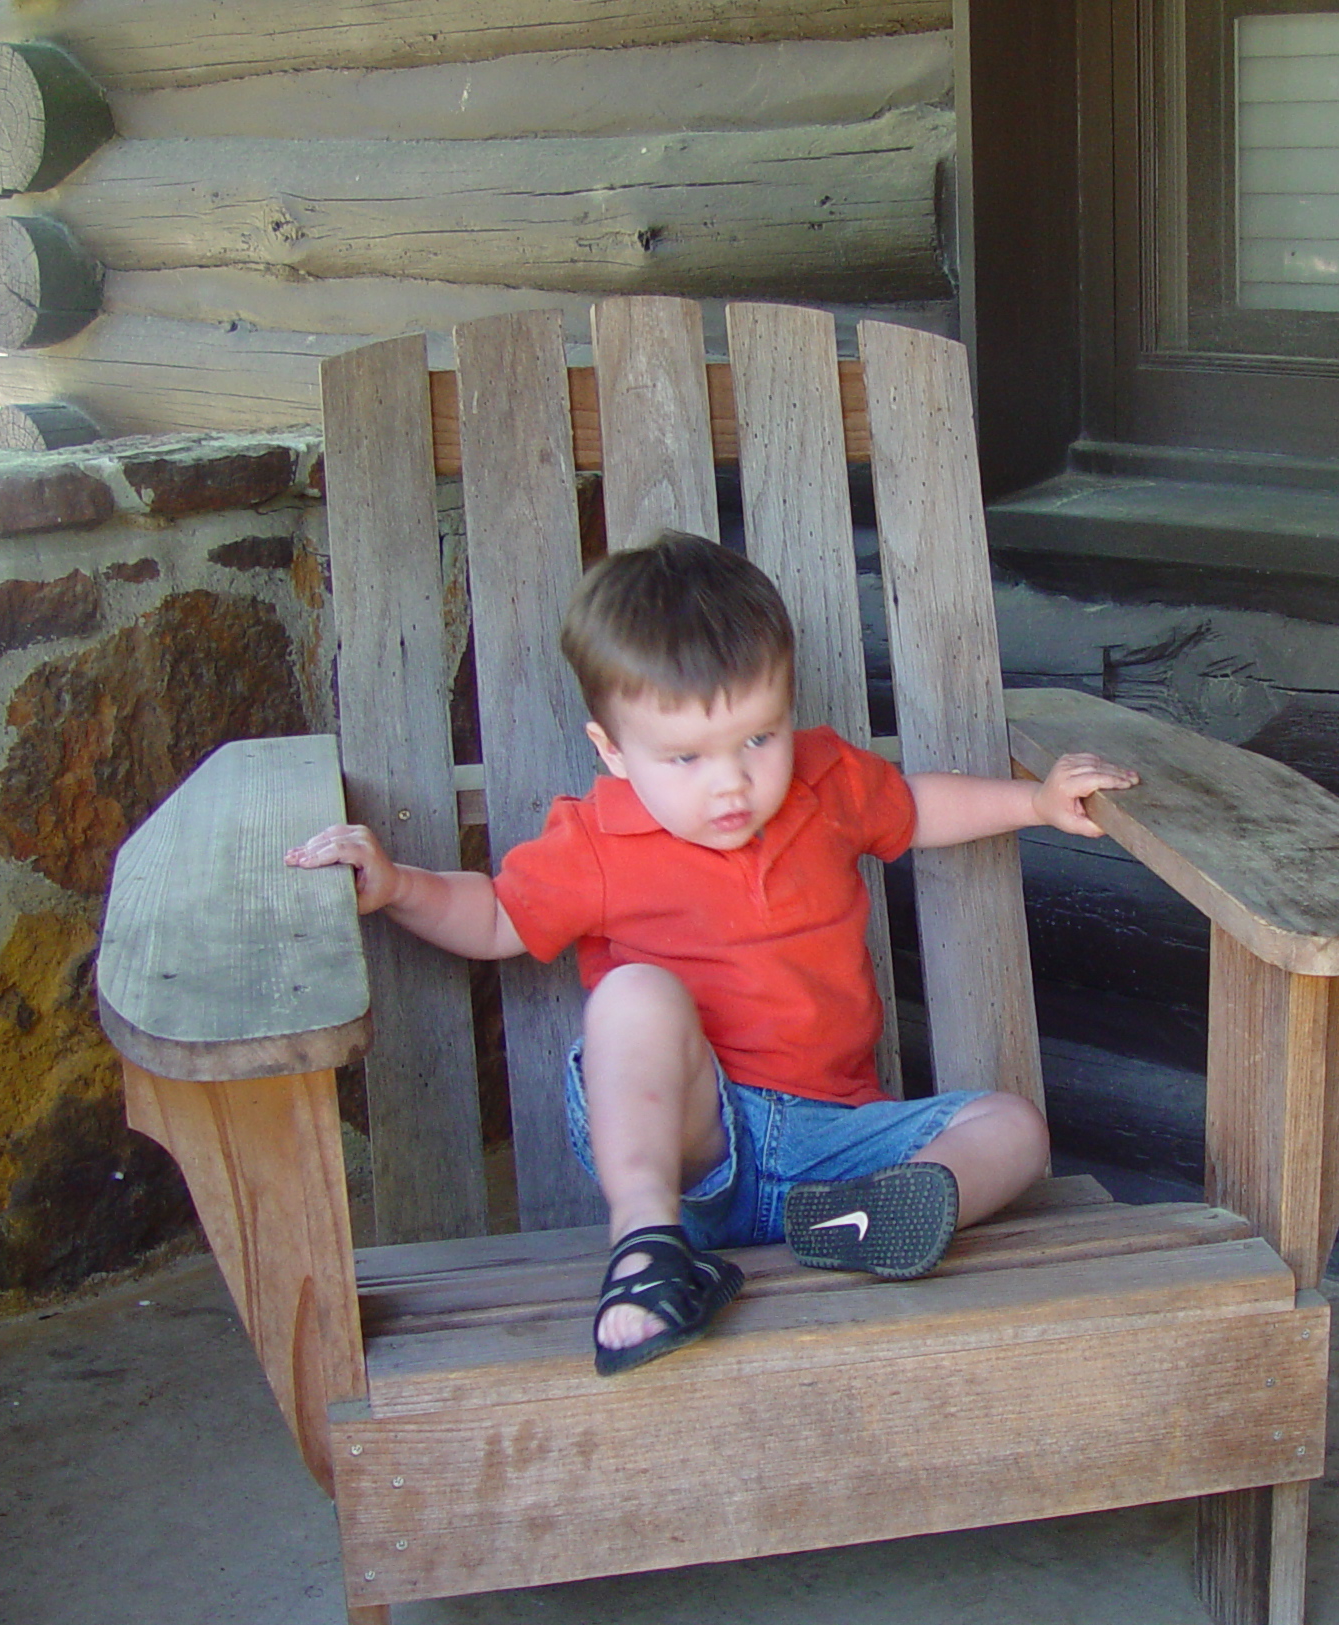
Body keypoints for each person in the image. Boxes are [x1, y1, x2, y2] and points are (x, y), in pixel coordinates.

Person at [287, 530, 1137, 1377]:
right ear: (613, 751)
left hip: (835, 1144)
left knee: (1013, 1128)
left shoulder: (826, 781)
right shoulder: (597, 840)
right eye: (687, 757)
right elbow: (499, 916)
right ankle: (648, 1251)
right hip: (696, 1145)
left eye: (757, 740)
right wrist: (399, 887)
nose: (730, 783)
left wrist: (1034, 800)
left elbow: (914, 806)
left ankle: (878, 1215)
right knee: (633, 996)